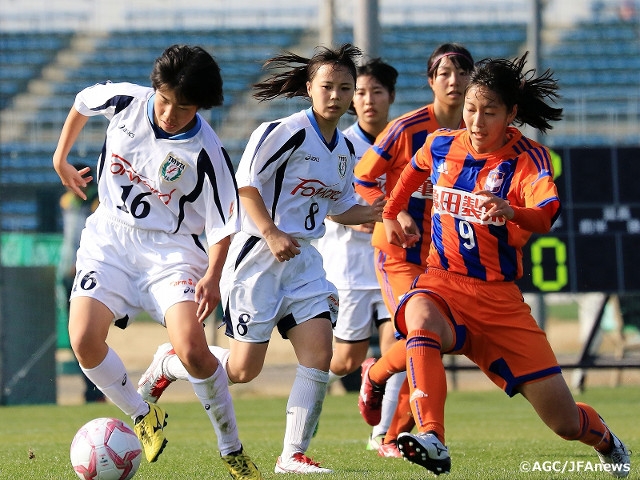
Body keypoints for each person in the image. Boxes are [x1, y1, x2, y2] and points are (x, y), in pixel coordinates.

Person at [360, 53, 631, 477]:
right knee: (419, 316)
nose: (476, 120)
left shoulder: (527, 158)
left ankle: (606, 440)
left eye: (489, 112)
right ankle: (432, 436)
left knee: (564, 422)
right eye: (471, 108)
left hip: (500, 304)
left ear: (511, 114)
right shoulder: (441, 143)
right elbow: (408, 177)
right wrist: (391, 214)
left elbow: (545, 213)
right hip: (442, 282)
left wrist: (511, 210)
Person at [137, 43, 384, 474]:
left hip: (305, 261)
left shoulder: (344, 150)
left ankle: (293, 454)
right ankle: (170, 363)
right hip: (257, 259)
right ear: (309, 88)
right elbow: (244, 185)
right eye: (327, 86)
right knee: (241, 370)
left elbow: (340, 208)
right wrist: (269, 233)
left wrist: (383, 210)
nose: (336, 95)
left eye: (346, 88)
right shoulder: (282, 132)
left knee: (319, 353)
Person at [52, 44, 263, 480]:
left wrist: (212, 276)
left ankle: (232, 451)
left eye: (183, 107)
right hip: (109, 236)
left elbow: (225, 223)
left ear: (200, 106)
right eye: (165, 100)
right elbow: (81, 103)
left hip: (171, 252)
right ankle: (142, 413)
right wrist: (60, 159)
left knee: (194, 353)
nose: (169, 113)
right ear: (155, 88)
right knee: (83, 340)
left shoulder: (207, 151)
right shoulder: (126, 101)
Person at [353, 43, 474, 457]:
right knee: (416, 333)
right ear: (431, 81)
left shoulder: (477, 135)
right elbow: (363, 176)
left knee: (428, 342)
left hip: (443, 261)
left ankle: (378, 379)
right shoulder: (407, 127)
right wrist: (392, 213)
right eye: (444, 74)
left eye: (461, 73)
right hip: (398, 254)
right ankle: (395, 433)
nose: (454, 81)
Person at [313, 57, 398, 452]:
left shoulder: (407, 141)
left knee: (403, 344)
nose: (367, 100)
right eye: (360, 92)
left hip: (395, 264)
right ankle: (365, 376)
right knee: (344, 361)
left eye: (375, 92)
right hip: (348, 268)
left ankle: (383, 435)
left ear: (390, 97)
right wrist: (359, 218)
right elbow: (326, 201)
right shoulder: (341, 143)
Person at [57, 163, 105, 404]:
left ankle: (97, 388)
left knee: (88, 332)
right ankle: (91, 388)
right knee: (76, 335)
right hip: (68, 272)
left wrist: (82, 262)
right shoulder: (69, 201)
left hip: (87, 271)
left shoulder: (97, 202)